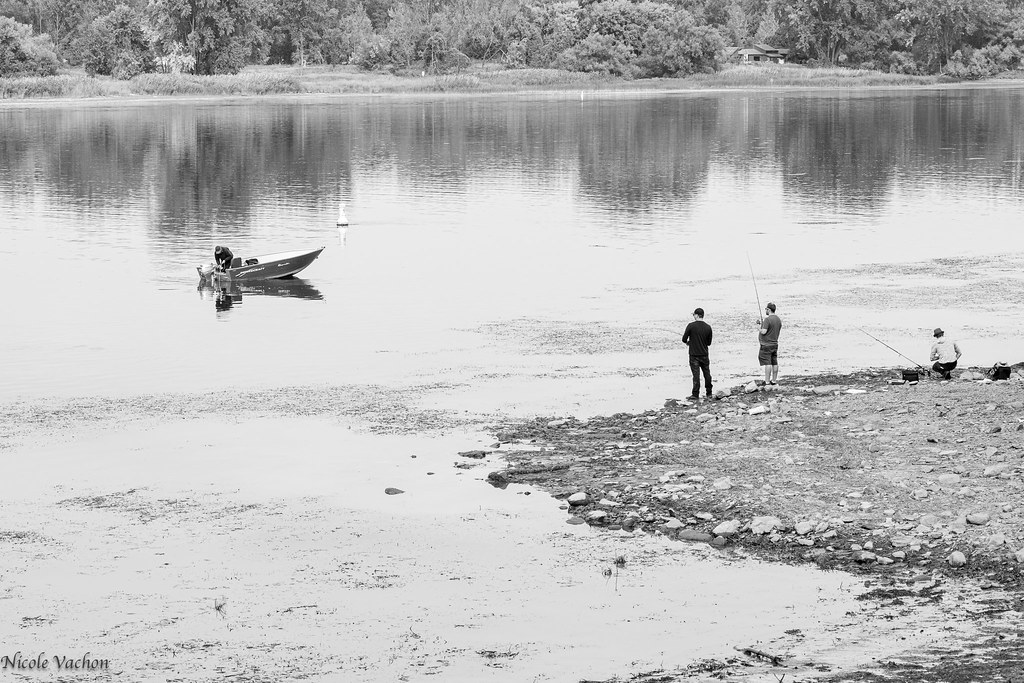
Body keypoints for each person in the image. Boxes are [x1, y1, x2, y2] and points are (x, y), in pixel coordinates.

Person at [681, 307, 713, 400]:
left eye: (694, 314)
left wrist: (689, 342)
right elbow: (709, 343)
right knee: (707, 374)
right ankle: (709, 393)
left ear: (697, 315)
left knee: (696, 376)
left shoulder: (691, 326)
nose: (693, 316)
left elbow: (684, 339)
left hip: (694, 355)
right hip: (704, 354)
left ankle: (695, 394)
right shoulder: (708, 327)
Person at [758, 302, 782, 385]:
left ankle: (767, 381)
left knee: (767, 363)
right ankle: (774, 381)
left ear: (768, 309)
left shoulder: (767, 319)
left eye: (766, 309)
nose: (765, 311)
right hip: (775, 344)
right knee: (774, 362)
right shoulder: (778, 319)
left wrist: (759, 327)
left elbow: (764, 332)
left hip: (766, 345)